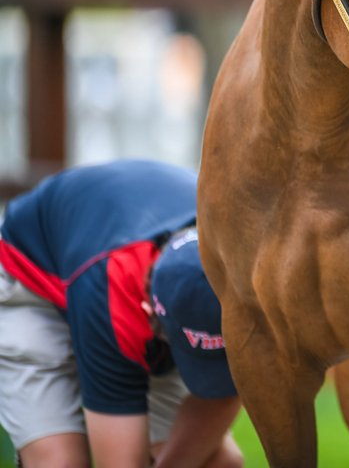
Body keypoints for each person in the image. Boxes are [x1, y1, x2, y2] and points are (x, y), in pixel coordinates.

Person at [0, 159, 242, 468]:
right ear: (153, 316)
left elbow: (222, 393)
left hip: (103, 259)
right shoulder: (115, 294)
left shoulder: (243, 279)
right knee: (60, 462)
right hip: (30, 281)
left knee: (220, 462)